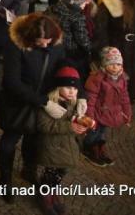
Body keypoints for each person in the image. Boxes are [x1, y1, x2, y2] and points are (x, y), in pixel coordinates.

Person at [0, 13, 70, 203]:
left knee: (34, 139)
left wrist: (73, 87)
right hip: (18, 102)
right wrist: (43, 102)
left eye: (48, 41)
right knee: (9, 140)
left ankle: (28, 170)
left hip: (43, 101)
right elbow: (12, 81)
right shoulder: (16, 45)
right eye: (40, 42)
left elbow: (62, 66)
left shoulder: (56, 44)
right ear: (30, 37)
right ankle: (5, 179)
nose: (45, 45)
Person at [35, 66, 91, 215]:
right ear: (58, 87)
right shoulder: (49, 104)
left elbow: (74, 123)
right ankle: (45, 195)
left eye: (75, 88)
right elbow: (44, 126)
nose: (72, 91)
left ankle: (53, 192)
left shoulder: (73, 104)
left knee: (61, 171)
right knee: (50, 173)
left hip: (66, 146)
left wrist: (82, 125)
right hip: (52, 147)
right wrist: (70, 127)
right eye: (68, 87)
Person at [80, 47, 131, 169]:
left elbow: (125, 97)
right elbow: (91, 98)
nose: (115, 67)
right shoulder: (97, 78)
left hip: (110, 114)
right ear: (104, 64)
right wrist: (90, 115)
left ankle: (99, 148)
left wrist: (127, 113)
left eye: (118, 64)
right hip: (97, 112)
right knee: (93, 132)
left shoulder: (122, 79)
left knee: (102, 132)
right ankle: (88, 148)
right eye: (111, 64)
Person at [46, 0, 92, 78]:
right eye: (81, 3)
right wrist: (89, 49)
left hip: (53, 47)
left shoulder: (51, 10)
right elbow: (81, 38)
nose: (84, 4)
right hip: (71, 51)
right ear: (73, 3)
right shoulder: (76, 16)